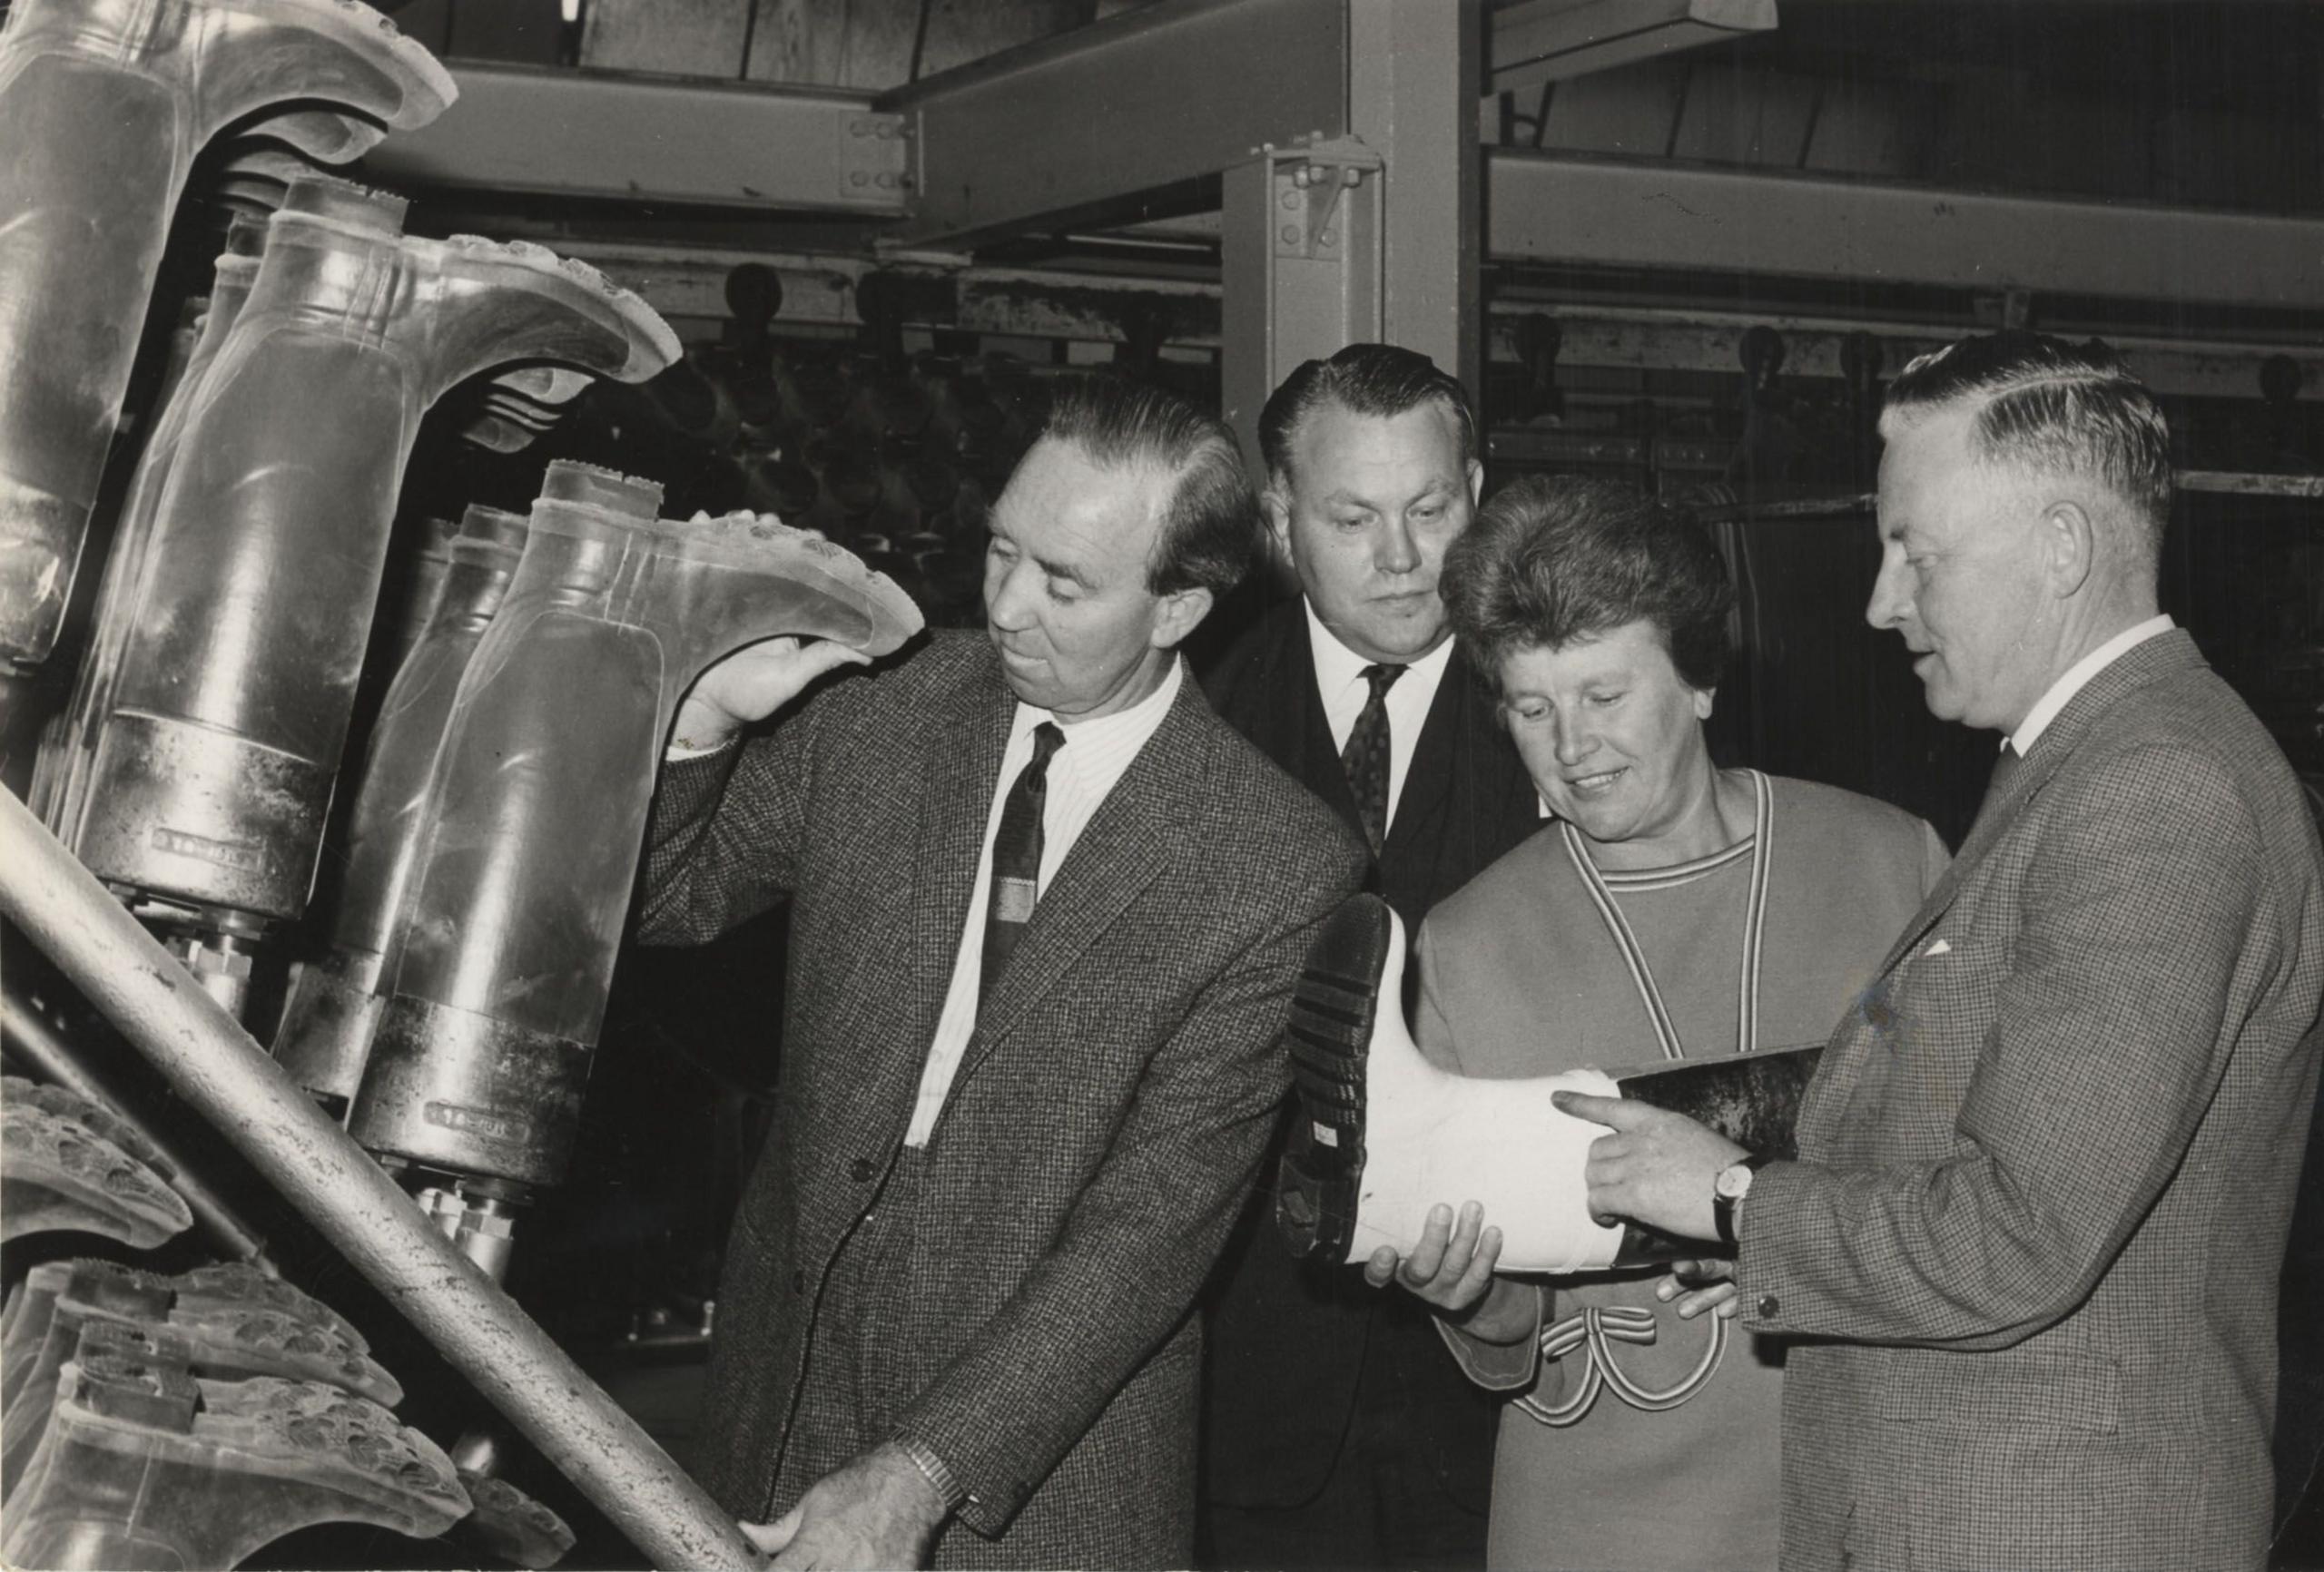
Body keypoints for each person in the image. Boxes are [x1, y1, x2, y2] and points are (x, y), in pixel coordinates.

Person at [1557, 331, 2324, 1571]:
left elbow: (2023, 1231)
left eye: (1916, 551)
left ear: (2063, 547)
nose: (1880, 601)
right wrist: (1752, 1217)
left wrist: (1733, 1198)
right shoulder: (2085, 764)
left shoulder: (2157, 789)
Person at [639, 374, 1368, 1570]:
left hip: (1039, 1480)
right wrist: (703, 715)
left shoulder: (1275, 867)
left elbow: (1149, 1233)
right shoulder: (880, 708)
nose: (1008, 606)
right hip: (781, 1406)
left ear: (1179, 606)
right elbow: (672, 898)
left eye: (1065, 583)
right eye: (1001, 553)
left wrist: (925, 1473)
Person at [1367, 473, 1945, 1570]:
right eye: (1530, 708)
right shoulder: (1463, 944)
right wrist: (1471, 1297)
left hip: (1869, 1485)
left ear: (1700, 683)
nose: (1569, 745)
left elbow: (1978, 1186)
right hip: (1601, 1516)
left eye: (1603, 695)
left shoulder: (1890, 862)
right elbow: (1508, 1336)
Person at [1198, 345, 1541, 1570]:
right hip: (1250, 1395)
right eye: (1353, 517)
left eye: (1432, 509)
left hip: (1511, 1387)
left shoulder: (1577, 717)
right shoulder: (1189, 724)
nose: (1403, 558)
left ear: (1479, 496)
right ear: (1281, 521)